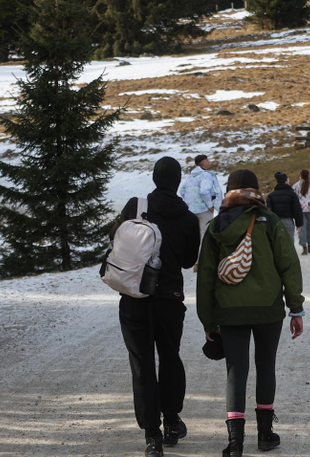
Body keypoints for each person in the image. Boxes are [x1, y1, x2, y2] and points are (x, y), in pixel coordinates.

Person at [196, 169, 305, 457]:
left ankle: (235, 443)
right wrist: (296, 308)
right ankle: (266, 435)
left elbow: (205, 276)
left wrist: (208, 319)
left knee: (236, 370)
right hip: (268, 308)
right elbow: (289, 265)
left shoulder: (217, 225)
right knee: (265, 365)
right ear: (256, 190)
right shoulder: (269, 222)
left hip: (229, 311)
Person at [112, 157, 200, 457]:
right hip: (169, 299)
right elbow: (189, 261)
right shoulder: (188, 217)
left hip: (134, 298)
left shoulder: (134, 206)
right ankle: (173, 421)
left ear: (153, 179)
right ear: (178, 182)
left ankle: (152, 435)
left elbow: (116, 240)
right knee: (170, 357)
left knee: (142, 364)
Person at [178, 154, 223, 244]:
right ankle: (203, 257)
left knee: (193, 236)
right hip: (204, 210)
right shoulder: (206, 175)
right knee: (205, 236)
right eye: (207, 160)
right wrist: (210, 205)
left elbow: (182, 190)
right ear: (202, 162)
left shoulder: (191, 176)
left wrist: (191, 201)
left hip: (191, 210)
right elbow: (204, 191)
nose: (209, 162)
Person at [265, 172, 303, 242]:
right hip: (288, 221)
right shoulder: (292, 194)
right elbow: (297, 210)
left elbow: (268, 210)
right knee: (289, 243)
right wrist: (299, 223)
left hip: (275, 222)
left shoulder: (271, 195)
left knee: (277, 242)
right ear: (286, 181)